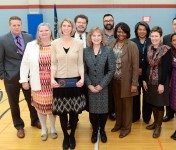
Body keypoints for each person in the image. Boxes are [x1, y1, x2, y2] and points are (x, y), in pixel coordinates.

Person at [0, 16, 41, 139]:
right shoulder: (2, 40)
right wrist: (3, 75)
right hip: (11, 78)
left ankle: (35, 120)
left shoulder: (28, 37)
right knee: (14, 104)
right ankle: (19, 126)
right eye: (14, 25)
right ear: (9, 25)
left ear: (21, 25)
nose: (17, 27)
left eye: (18, 25)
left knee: (32, 101)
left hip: (28, 77)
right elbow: (0, 60)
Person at [51, 18, 86, 150]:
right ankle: (65, 136)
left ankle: (72, 135)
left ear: (72, 28)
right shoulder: (54, 43)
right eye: (64, 26)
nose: (66, 28)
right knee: (62, 112)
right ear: (61, 28)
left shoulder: (78, 43)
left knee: (74, 112)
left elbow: (80, 63)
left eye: (68, 26)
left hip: (75, 81)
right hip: (60, 83)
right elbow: (53, 63)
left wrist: (82, 78)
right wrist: (51, 78)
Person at [20, 23, 57, 141]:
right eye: (41, 31)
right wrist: (24, 80)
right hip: (38, 83)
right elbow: (25, 64)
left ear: (50, 31)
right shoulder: (31, 45)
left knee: (52, 108)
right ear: (38, 33)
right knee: (40, 108)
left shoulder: (56, 44)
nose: (44, 32)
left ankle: (53, 128)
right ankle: (44, 129)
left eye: (46, 30)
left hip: (53, 83)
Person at [84, 27, 116, 143]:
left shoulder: (108, 50)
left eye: (99, 35)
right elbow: (83, 70)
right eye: (94, 36)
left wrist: (102, 85)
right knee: (92, 111)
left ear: (102, 37)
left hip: (104, 87)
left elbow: (111, 70)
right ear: (90, 37)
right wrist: (89, 85)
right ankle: (94, 130)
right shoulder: (85, 51)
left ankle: (102, 130)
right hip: (90, 87)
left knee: (103, 111)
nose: (96, 38)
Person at [110, 22, 139, 138]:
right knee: (117, 104)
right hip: (114, 80)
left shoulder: (131, 45)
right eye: (118, 31)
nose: (120, 34)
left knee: (127, 105)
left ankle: (127, 127)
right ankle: (118, 124)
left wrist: (134, 84)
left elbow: (135, 66)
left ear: (127, 33)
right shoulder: (112, 44)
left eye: (123, 31)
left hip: (127, 81)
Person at [142, 26, 171, 138]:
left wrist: (162, 84)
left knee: (159, 104)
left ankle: (159, 126)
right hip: (149, 80)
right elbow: (145, 65)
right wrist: (144, 79)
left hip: (160, 80)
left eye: (156, 36)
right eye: (152, 36)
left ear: (160, 37)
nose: (154, 38)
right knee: (153, 101)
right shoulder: (148, 48)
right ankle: (155, 123)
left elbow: (166, 68)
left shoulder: (166, 49)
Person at [131, 21, 152, 123]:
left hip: (148, 73)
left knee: (148, 95)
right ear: (136, 31)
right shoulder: (131, 42)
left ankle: (147, 117)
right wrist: (136, 69)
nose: (142, 31)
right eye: (140, 29)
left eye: (144, 29)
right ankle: (135, 116)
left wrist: (144, 70)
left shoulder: (152, 41)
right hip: (135, 73)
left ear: (147, 31)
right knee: (135, 95)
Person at [103, 13, 116, 121]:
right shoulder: (99, 35)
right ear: (103, 22)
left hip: (116, 67)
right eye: (106, 20)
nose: (108, 22)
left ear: (113, 22)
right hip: (102, 67)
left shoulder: (118, 34)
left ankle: (112, 111)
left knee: (113, 91)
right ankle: (105, 110)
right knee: (104, 90)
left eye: (110, 20)